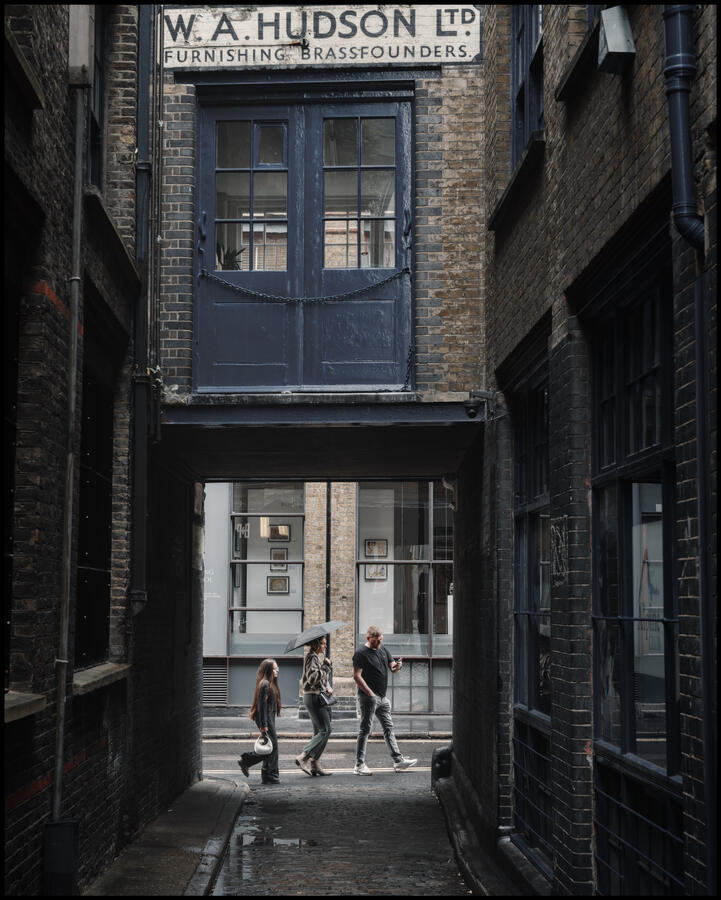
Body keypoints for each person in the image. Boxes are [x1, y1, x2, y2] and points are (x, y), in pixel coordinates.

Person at [352, 625, 417, 775]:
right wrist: (370, 694)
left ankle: (398, 761)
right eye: (376, 641)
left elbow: (392, 667)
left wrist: (398, 666)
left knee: (389, 728)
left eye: (381, 640)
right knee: (365, 730)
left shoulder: (383, 650)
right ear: (369, 638)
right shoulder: (361, 653)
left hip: (382, 697)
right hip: (369, 698)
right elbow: (357, 676)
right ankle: (359, 765)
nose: (379, 643)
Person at [238, 658, 281, 784]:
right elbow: (261, 706)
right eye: (274, 668)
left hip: (268, 717)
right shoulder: (265, 684)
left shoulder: (269, 683)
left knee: (271, 747)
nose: (277, 670)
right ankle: (248, 761)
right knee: (273, 747)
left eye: (277, 668)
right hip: (265, 718)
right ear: (268, 670)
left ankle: (267, 774)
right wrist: (264, 725)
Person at [295, 636, 333, 776]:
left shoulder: (315, 657)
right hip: (313, 696)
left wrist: (327, 686)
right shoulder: (312, 657)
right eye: (323, 644)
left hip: (315, 695)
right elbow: (312, 678)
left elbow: (319, 679)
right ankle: (303, 756)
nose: (325, 646)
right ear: (316, 644)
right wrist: (326, 666)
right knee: (326, 730)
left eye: (325, 643)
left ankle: (314, 764)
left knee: (319, 732)